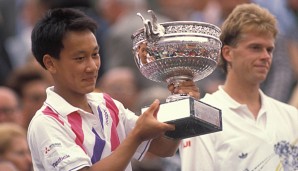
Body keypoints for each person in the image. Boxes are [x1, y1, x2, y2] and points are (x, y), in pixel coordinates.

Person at [27, 8, 199, 171]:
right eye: (80, 58)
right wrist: (136, 136)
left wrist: (183, 104)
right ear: (50, 63)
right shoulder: (46, 122)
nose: (92, 66)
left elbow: (163, 148)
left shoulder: (107, 105)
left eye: (95, 54)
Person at [178, 3, 298, 171]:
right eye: (255, 48)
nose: (265, 56)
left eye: (269, 50)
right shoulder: (203, 117)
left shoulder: (292, 117)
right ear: (227, 53)